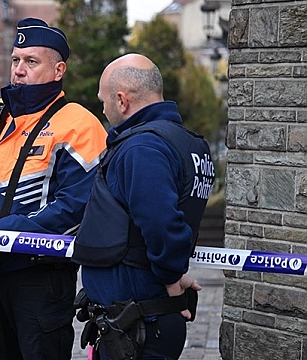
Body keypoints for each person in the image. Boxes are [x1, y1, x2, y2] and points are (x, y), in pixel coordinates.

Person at [0, 17, 107, 360]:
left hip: (41, 277)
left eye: (31, 62)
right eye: (15, 60)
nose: (19, 70)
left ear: (58, 70)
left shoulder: (80, 124)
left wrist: (1, 231)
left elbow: (76, 208)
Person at [72, 53, 214, 359]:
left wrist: (170, 276)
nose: (103, 108)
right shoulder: (187, 143)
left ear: (122, 101)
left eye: (104, 100)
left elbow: (162, 225)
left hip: (138, 324)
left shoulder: (142, 147)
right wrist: (173, 272)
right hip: (140, 318)